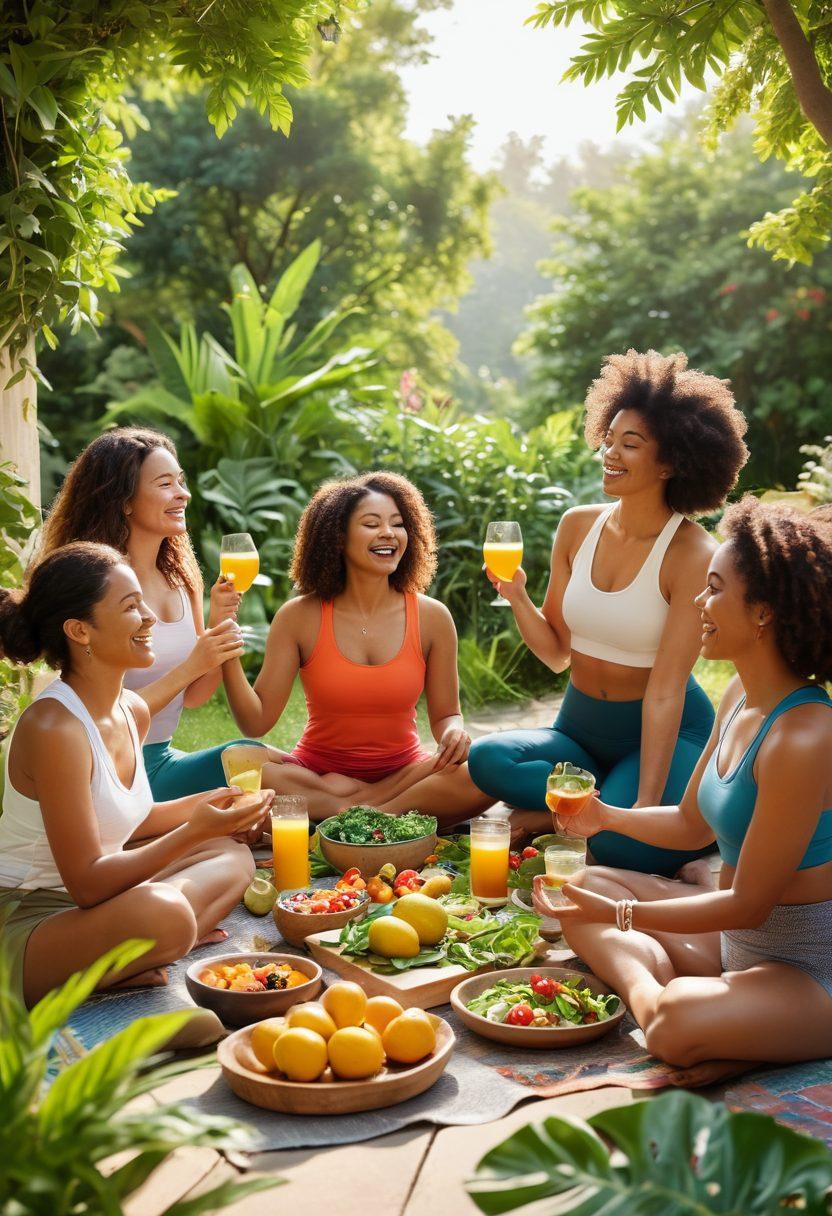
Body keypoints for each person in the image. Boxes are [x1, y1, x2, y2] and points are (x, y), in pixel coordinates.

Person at [534, 498, 832, 1068]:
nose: (699, 601)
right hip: (734, 946)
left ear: (764, 612)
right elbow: (689, 822)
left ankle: (662, 999)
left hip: (809, 967)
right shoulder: (739, 696)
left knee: (672, 1023)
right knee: (584, 885)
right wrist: (605, 817)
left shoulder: (805, 735)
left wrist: (623, 919)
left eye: (714, 588)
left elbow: (747, 904)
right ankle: (700, 1005)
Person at [468, 350, 749, 875]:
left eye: (630, 444)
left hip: (664, 730)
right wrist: (518, 597)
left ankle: (652, 810)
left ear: (672, 462)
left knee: (622, 847)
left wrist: (643, 809)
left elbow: (665, 690)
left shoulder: (692, 553)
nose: (610, 453)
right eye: (609, 439)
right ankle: (586, 804)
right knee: (487, 760)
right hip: (580, 730)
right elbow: (555, 654)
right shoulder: (578, 526)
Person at [0, 543, 272, 1005]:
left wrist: (215, 806)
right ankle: (141, 948)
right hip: (28, 917)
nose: (150, 617)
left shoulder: (130, 710)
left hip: (93, 904)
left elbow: (130, 820)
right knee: (164, 912)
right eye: (131, 607)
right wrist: (191, 831)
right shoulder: (55, 728)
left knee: (232, 856)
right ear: (80, 630)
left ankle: (134, 952)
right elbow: (86, 883)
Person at [222, 471, 493, 822]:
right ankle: (383, 814)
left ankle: (356, 812)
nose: (389, 533)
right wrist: (225, 647)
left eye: (398, 524)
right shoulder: (299, 616)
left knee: (483, 772)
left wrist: (455, 732)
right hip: (318, 776)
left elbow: (445, 715)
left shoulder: (432, 617)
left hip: (405, 774)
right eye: (371, 523)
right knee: (241, 759)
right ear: (337, 538)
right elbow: (256, 723)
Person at [36, 427, 263, 800]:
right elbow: (103, 717)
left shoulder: (181, 577)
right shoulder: (93, 588)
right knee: (277, 782)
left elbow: (194, 697)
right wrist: (193, 663)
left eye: (181, 481)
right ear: (124, 501)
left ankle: (376, 814)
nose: (183, 494)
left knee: (274, 764)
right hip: (110, 768)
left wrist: (221, 620)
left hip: (160, 760)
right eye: (165, 484)